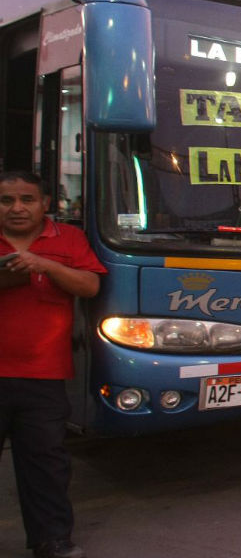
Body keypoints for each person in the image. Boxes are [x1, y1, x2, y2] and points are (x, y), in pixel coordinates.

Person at [1, 170, 106, 558]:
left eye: (26, 199)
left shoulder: (69, 240)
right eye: (6, 200)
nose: (16, 208)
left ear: (45, 203)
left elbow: (90, 285)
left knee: (45, 465)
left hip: (43, 375)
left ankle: (52, 540)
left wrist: (44, 266)